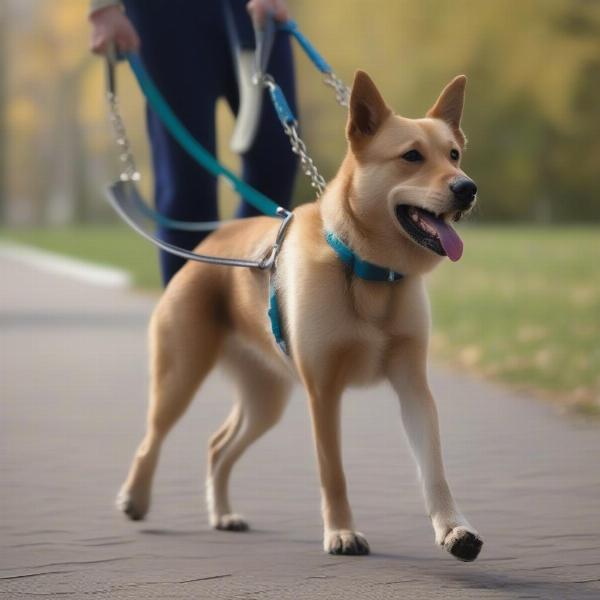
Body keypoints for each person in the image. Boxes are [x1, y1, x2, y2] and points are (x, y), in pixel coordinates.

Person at [89, 0, 297, 285]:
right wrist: (102, 9)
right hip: (167, 15)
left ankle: (243, 291)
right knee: (187, 184)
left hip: (253, 10)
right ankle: (187, 318)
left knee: (278, 158)